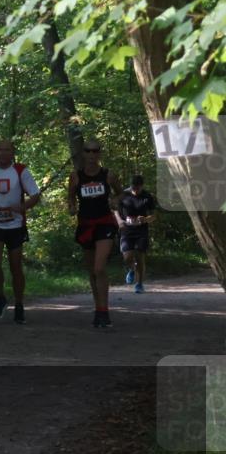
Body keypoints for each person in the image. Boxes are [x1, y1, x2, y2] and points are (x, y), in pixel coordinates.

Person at [0, 139, 41, 325]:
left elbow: (35, 195)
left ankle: (19, 304)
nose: (3, 153)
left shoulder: (21, 171)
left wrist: (23, 207)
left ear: (12, 153)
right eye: (0, 150)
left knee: (15, 266)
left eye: (7, 150)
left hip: (15, 226)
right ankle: (0, 297)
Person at [67, 140, 122, 328]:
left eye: (95, 151)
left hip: (104, 223)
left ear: (100, 153)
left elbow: (121, 193)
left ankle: (104, 311)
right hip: (85, 225)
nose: (91, 154)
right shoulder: (76, 176)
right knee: (92, 271)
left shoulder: (108, 175)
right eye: (88, 151)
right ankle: (98, 309)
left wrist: (115, 200)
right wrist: (71, 206)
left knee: (99, 268)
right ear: (83, 153)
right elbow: (71, 196)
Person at [115, 175, 158, 294]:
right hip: (126, 230)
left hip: (141, 230)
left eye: (138, 188)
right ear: (131, 185)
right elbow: (115, 210)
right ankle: (131, 269)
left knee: (140, 257)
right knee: (127, 257)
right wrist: (119, 221)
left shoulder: (147, 196)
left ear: (142, 186)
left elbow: (153, 215)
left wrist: (145, 219)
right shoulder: (123, 195)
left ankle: (139, 284)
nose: (135, 190)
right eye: (133, 187)